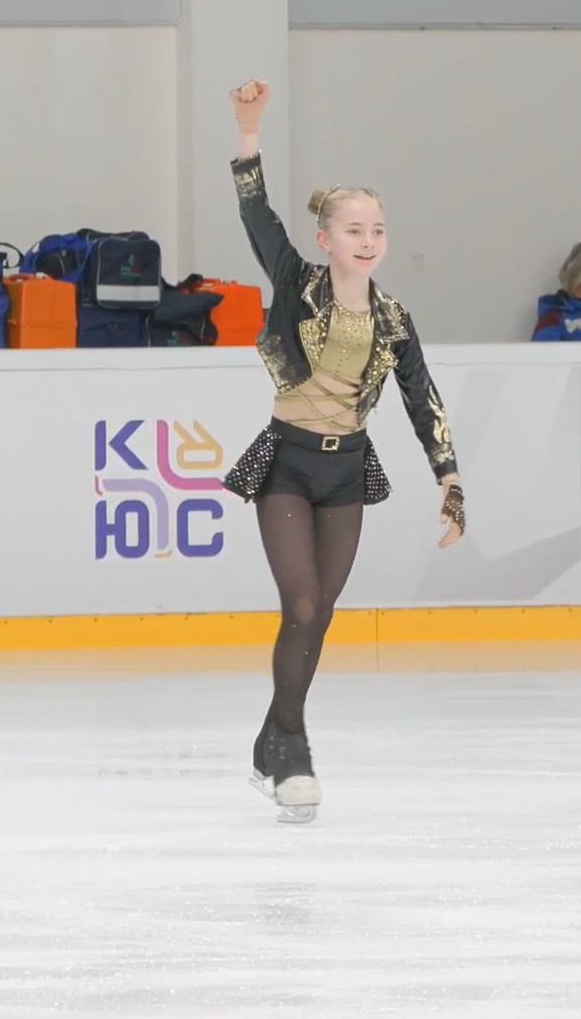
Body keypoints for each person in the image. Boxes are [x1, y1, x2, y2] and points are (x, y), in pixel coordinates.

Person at [220, 78, 465, 824]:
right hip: (289, 462)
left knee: (320, 613)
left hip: (347, 470)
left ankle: (274, 739)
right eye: (354, 229)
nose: (368, 240)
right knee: (300, 602)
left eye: (377, 230)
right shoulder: (296, 282)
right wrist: (249, 131)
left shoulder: (394, 317)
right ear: (326, 239)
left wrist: (449, 479)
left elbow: (422, 396)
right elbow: (257, 215)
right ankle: (291, 745)